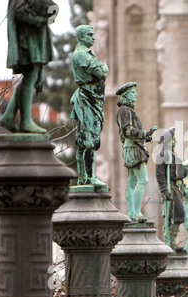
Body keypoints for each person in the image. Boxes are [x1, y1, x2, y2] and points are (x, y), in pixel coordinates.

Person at [0, 0, 58, 133]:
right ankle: (25, 121)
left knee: (31, 76)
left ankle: (9, 115)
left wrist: (51, 12)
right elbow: (19, 10)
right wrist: (38, 20)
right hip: (28, 38)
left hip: (34, 37)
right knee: (30, 75)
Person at [70, 25, 109, 187]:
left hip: (93, 97)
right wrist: (104, 67)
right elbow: (101, 72)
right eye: (90, 35)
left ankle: (84, 177)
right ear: (81, 37)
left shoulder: (86, 54)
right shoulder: (81, 54)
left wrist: (102, 68)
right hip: (88, 97)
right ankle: (89, 177)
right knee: (89, 139)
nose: (94, 38)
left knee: (87, 138)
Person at [116, 82, 158, 222]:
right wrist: (145, 133)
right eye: (133, 93)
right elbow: (127, 131)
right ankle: (136, 212)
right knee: (142, 179)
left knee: (132, 181)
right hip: (133, 149)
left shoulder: (127, 110)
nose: (136, 95)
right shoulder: (124, 110)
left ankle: (132, 213)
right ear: (126, 95)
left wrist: (146, 137)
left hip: (132, 147)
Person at [156, 127, 187, 249]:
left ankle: (172, 239)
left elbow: (182, 171)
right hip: (171, 188)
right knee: (175, 214)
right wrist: (164, 190)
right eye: (173, 139)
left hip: (178, 187)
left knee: (178, 215)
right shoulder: (162, 155)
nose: (175, 141)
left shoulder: (174, 155)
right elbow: (160, 175)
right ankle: (170, 240)